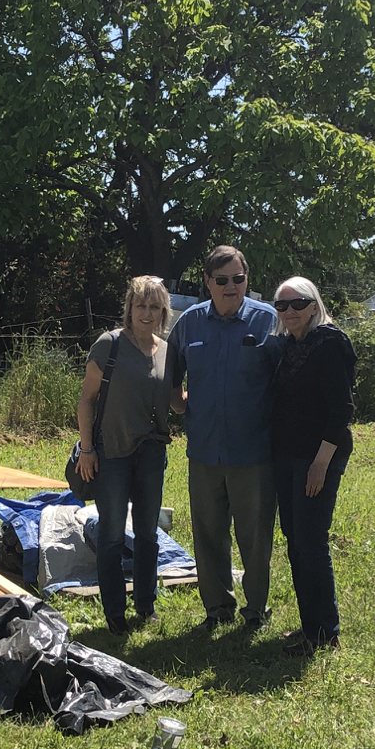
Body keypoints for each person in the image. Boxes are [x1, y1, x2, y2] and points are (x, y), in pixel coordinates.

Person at [167, 244, 279, 629]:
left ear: (247, 279)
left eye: (238, 278)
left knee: (255, 538)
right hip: (204, 451)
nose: (231, 286)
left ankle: (256, 611)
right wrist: (179, 405)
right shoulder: (189, 323)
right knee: (209, 536)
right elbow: (169, 373)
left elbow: (288, 378)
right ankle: (217, 609)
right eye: (222, 280)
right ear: (207, 282)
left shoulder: (268, 321)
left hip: (254, 453)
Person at [76, 276, 175, 634]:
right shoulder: (109, 345)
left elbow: (176, 402)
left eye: (154, 306)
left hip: (152, 454)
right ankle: (115, 612)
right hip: (112, 452)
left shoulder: (167, 351)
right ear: (129, 309)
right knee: (113, 535)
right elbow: (86, 400)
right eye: (140, 305)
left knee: (148, 533)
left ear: (163, 311)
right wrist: (87, 448)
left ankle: (145, 605)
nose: (147, 313)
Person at [270, 276, 356, 652]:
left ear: (314, 305)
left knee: (310, 540)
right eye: (282, 305)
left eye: (298, 303)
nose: (289, 311)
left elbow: (342, 411)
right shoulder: (291, 345)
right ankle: (311, 627)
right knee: (295, 539)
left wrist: (320, 463)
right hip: (288, 455)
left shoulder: (330, 343)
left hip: (318, 456)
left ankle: (326, 633)